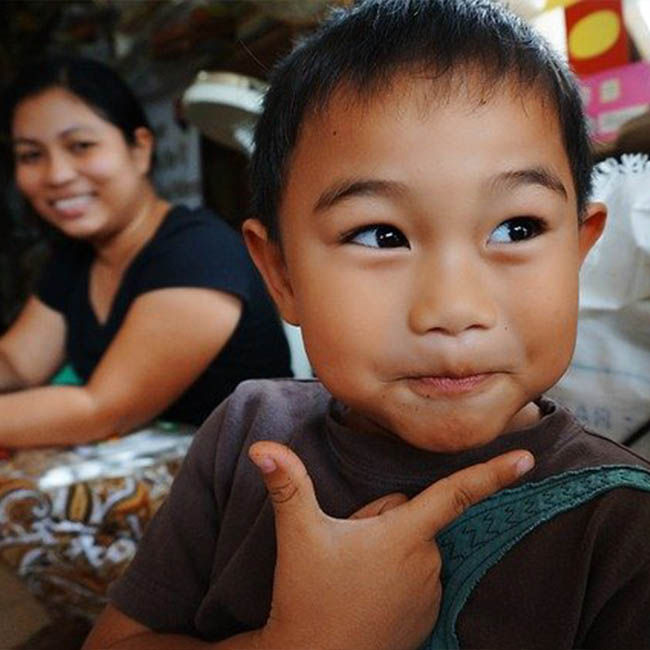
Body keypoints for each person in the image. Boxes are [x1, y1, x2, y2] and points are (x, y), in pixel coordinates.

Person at [84, 1, 650, 648]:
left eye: (516, 228)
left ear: (579, 252)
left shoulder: (624, 524)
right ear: (282, 276)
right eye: (380, 235)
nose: (454, 308)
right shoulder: (244, 437)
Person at [0, 55, 292, 447]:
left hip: (240, 488)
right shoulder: (77, 258)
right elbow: (16, 363)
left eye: (81, 146)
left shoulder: (199, 253)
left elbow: (100, 410)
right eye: (31, 155)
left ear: (139, 149)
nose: (57, 175)